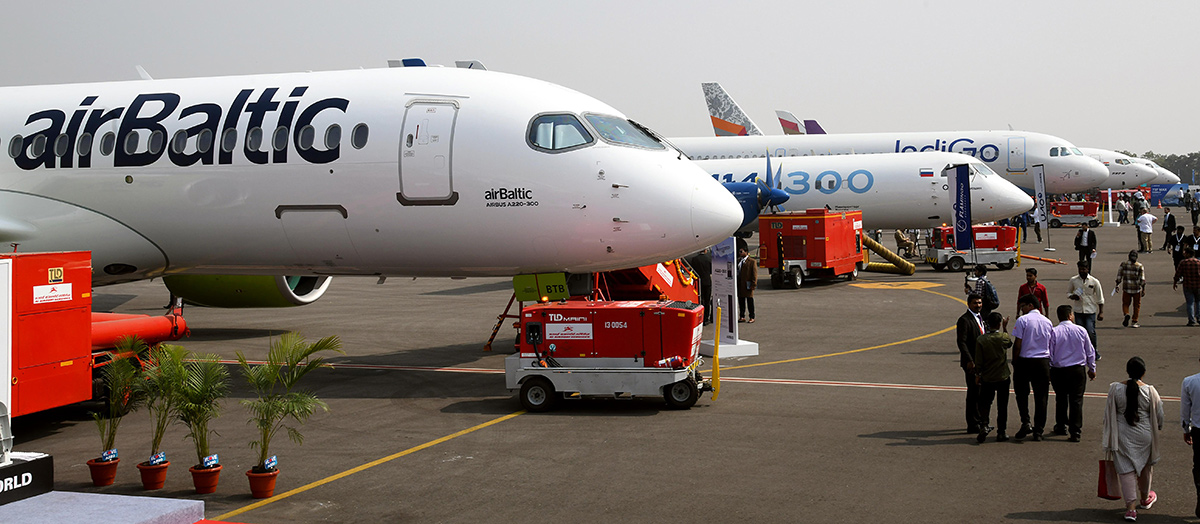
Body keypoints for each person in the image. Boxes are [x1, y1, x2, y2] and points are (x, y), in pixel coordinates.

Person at [1103, 357, 1163, 522]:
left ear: (1128, 371)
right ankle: (1145, 498)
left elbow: (1108, 412)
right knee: (1145, 467)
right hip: (1145, 435)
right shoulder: (1150, 391)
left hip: (1122, 435)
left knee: (1126, 470)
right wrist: (1159, 427)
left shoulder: (1115, 389)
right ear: (1144, 373)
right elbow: (1159, 414)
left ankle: (1130, 509)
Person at [1049, 304, 1097, 442]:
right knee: (1076, 400)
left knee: (1061, 398)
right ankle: (1075, 431)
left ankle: (1061, 425)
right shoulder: (1081, 330)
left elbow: (1050, 353)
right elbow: (1089, 351)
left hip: (1059, 370)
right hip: (1077, 370)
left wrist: (1051, 370)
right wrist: (1092, 368)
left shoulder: (1054, 331)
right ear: (1070, 315)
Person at [1011, 294, 1053, 441]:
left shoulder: (1023, 320)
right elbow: (1051, 344)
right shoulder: (1047, 322)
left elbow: (1018, 344)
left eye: (1023, 306)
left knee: (1022, 394)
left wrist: (1015, 362)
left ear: (1030, 305)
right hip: (1042, 362)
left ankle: (1026, 422)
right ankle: (1039, 430)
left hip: (1025, 361)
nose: (1021, 310)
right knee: (1041, 397)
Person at [975, 312, 1012, 443]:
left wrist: (978, 374)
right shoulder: (1003, 337)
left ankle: (984, 425)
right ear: (999, 324)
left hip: (987, 376)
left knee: (985, 403)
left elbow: (978, 361)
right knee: (1002, 405)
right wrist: (1005, 328)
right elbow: (1009, 343)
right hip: (1002, 375)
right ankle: (1001, 432)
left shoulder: (981, 340)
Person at [957, 293, 986, 434]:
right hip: (972, 363)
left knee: (980, 393)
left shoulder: (980, 318)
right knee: (973, 393)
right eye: (975, 303)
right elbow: (961, 342)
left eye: (980, 303)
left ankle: (979, 419)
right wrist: (969, 360)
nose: (978, 305)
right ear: (968, 304)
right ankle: (972, 423)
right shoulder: (964, 320)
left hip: (981, 362)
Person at [1068, 260, 1104, 357]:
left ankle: (1094, 350)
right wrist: (1072, 296)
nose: (1082, 271)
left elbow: (1100, 298)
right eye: (1080, 269)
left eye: (1084, 269)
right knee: (1079, 333)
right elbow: (1068, 293)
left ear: (1088, 269)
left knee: (1090, 331)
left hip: (1090, 310)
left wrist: (1101, 312)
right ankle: (1081, 352)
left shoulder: (1094, 281)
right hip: (1078, 310)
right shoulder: (1073, 280)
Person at [1180, 356, 1200, 518]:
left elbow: (1185, 410)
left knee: (1199, 466)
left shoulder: (1189, 382)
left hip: (1198, 431)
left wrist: (1186, 428)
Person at [1116, 250, 1147, 329]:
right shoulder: (1139, 266)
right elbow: (1142, 279)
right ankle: (1134, 321)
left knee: (1125, 303)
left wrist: (1117, 285)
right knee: (1136, 305)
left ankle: (1126, 313)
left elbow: (1119, 276)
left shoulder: (1123, 264)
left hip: (1126, 288)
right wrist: (1143, 289)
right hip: (1136, 289)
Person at [685, 248, 713, 325]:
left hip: (698, 281)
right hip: (707, 281)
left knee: (700, 300)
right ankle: (706, 319)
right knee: (707, 301)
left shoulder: (694, 259)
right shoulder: (708, 258)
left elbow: (693, 270)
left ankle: (700, 317)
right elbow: (711, 270)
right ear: (705, 250)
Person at [1174, 248, 1200, 326]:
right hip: (1198, 285)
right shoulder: (1199, 262)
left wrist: (1175, 282)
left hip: (1187, 285)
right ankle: (1199, 317)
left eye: (1185, 253)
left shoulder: (1183, 262)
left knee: (1190, 303)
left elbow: (1178, 273)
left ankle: (1191, 320)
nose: (1184, 254)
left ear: (1189, 254)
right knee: (1198, 302)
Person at [736, 246, 756, 323]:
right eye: (739, 252)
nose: (740, 253)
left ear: (746, 252)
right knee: (741, 301)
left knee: (749, 301)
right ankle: (742, 316)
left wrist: (753, 284)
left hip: (747, 284)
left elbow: (754, 274)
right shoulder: (738, 261)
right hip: (740, 284)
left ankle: (752, 316)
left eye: (741, 251)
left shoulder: (751, 261)